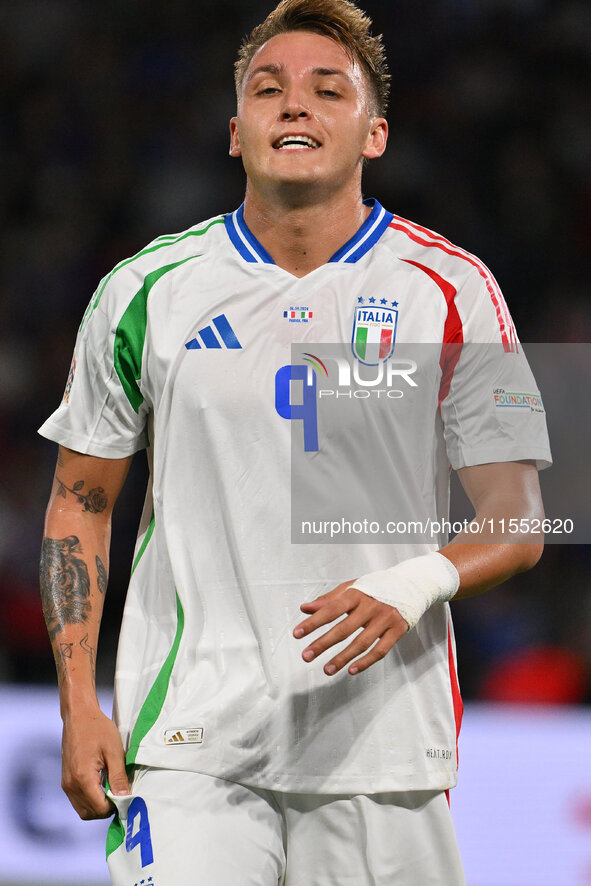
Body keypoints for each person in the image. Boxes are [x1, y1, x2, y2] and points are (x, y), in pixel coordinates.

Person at [39, 0, 551, 883]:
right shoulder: (146, 289)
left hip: (385, 751)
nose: (294, 105)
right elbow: (80, 501)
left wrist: (413, 580)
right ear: (235, 132)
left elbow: (520, 517)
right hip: (190, 742)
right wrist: (78, 706)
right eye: (267, 89)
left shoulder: (453, 287)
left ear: (375, 133)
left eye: (327, 89)